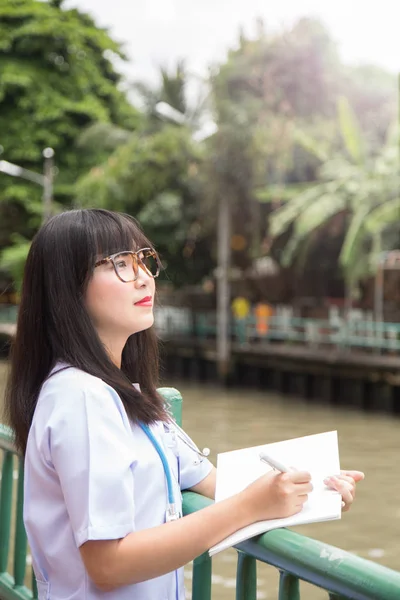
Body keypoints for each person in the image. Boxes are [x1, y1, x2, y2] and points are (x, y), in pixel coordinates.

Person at [4, 209, 364, 600]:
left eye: (143, 259)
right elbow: (108, 564)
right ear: (66, 288)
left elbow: (215, 482)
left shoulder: (126, 393)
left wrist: (319, 487)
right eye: (120, 263)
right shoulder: (82, 397)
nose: (143, 276)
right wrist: (249, 507)